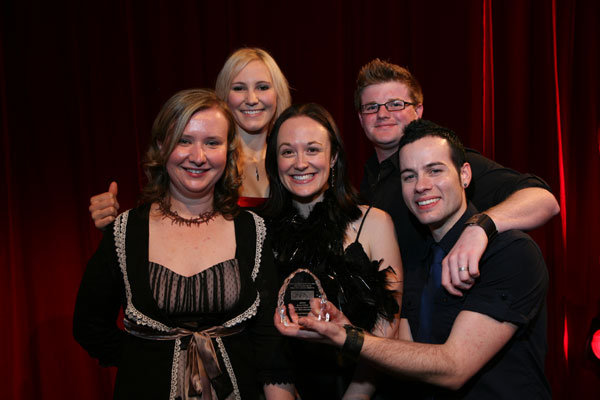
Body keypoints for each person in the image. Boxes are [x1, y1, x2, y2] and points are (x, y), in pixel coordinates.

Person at [276, 119, 551, 398]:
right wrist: (346, 328)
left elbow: (454, 367)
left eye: (435, 170)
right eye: (409, 176)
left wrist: (348, 337)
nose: (422, 185)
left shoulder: (511, 251)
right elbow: (402, 352)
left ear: (464, 174)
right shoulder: (419, 259)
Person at [73, 89, 295, 399]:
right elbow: (89, 325)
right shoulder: (125, 231)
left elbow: (269, 339)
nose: (198, 156)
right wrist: (144, 361)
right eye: (184, 140)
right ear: (162, 146)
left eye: (212, 143)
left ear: (228, 152)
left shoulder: (252, 230)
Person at [355, 59, 560, 295]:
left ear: (418, 110)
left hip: (443, 314)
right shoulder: (367, 176)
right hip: (399, 322)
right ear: (361, 119)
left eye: (395, 104)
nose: (382, 114)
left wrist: (479, 228)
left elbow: (544, 200)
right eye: (371, 107)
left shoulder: (447, 162)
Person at [263, 103, 402, 399]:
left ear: (334, 156)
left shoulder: (375, 223)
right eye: (288, 152)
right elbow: (261, 336)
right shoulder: (260, 231)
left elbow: (386, 329)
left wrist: (356, 395)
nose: (300, 163)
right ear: (275, 162)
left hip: (362, 389)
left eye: (312, 149)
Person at [89, 48, 292, 227]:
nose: (251, 99)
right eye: (239, 88)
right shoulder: (203, 163)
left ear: (278, 94)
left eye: (262, 87)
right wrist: (114, 225)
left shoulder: (294, 162)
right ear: (224, 96)